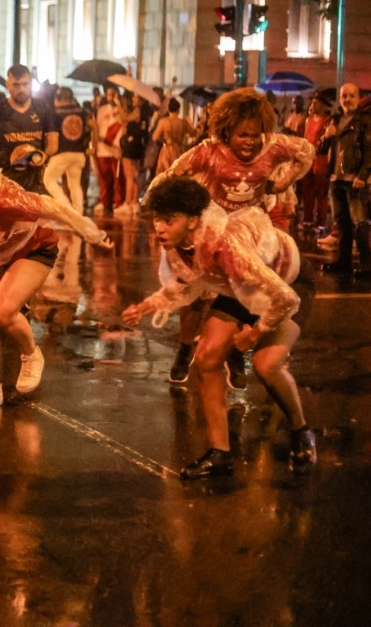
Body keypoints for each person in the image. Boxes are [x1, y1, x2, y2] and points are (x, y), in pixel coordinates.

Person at [123, 176, 317, 478]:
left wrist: (255, 332)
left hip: (287, 282)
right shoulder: (178, 244)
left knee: (267, 365)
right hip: (239, 287)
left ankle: (300, 429)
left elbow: (284, 298)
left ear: (192, 221)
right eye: (157, 219)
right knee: (207, 357)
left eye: (168, 220)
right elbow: (186, 287)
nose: (159, 227)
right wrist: (145, 307)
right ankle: (220, 452)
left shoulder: (225, 247)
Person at [151, 88, 314, 385]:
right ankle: (185, 349)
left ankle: (233, 354)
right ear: (227, 132)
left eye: (256, 134)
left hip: (244, 236)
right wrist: (159, 208)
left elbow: (306, 152)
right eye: (243, 135)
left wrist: (281, 184)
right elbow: (170, 176)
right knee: (194, 295)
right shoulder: (209, 151)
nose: (251, 142)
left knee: (242, 292)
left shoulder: (272, 149)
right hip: (209, 233)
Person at [0, 146, 110, 406]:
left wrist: (92, 235)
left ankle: (31, 354)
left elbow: (54, 208)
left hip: (33, 248)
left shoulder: (3, 198)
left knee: (3, 310)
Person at [0, 64, 56, 193]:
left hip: (35, 180)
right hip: (4, 180)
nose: (21, 89)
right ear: (8, 85)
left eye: (25, 84)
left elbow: (53, 141)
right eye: (16, 85)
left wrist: (44, 155)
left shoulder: (43, 108)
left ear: (30, 84)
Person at [319, 83, 371, 275]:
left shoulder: (364, 120)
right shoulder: (334, 120)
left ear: (358, 98)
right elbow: (321, 150)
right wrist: (326, 136)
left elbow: (369, 151)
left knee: (360, 222)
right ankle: (344, 261)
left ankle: (366, 264)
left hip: (355, 180)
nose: (347, 100)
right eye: (344, 96)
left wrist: (362, 176)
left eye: (351, 96)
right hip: (336, 178)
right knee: (341, 222)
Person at [42, 87, 91, 214]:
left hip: (62, 153)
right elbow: (94, 126)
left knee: (48, 180)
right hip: (79, 153)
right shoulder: (82, 111)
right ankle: (78, 215)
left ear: (59, 98)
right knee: (75, 184)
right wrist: (93, 147)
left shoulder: (56, 112)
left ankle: (67, 208)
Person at [300, 95, 332, 233]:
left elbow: (326, 141)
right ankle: (307, 219)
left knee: (320, 193)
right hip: (308, 159)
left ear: (323, 105)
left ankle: (321, 222)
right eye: (312, 103)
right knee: (307, 191)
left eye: (316, 103)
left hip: (320, 160)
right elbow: (306, 138)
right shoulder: (308, 120)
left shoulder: (327, 121)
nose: (313, 105)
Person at [93, 84, 124, 214]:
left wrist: (119, 106)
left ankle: (118, 202)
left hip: (115, 149)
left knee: (117, 178)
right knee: (104, 178)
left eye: (113, 94)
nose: (110, 97)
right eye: (109, 94)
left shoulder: (122, 110)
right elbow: (96, 126)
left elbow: (124, 122)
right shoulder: (101, 108)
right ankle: (104, 201)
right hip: (102, 148)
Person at [152, 97, 195, 176]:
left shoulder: (163, 122)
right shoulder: (183, 122)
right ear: (178, 110)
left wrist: (165, 140)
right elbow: (193, 134)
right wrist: (192, 124)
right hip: (179, 150)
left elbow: (155, 137)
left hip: (166, 150)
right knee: (177, 173)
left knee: (164, 174)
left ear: (169, 110)